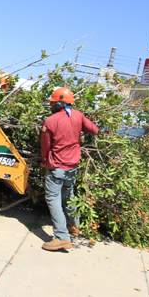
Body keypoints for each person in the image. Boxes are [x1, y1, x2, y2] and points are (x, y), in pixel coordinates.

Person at [39, 87, 98, 251]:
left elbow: (45, 146)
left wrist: (44, 161)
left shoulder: (50, 121)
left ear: (58, 103)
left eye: (52, 102)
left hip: (57, 166)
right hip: (72, 166)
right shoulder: (78, 115)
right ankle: (74, 227)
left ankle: (61, 238)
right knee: (68, 195)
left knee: (53, 198)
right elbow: (94, 130)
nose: (50, 105)